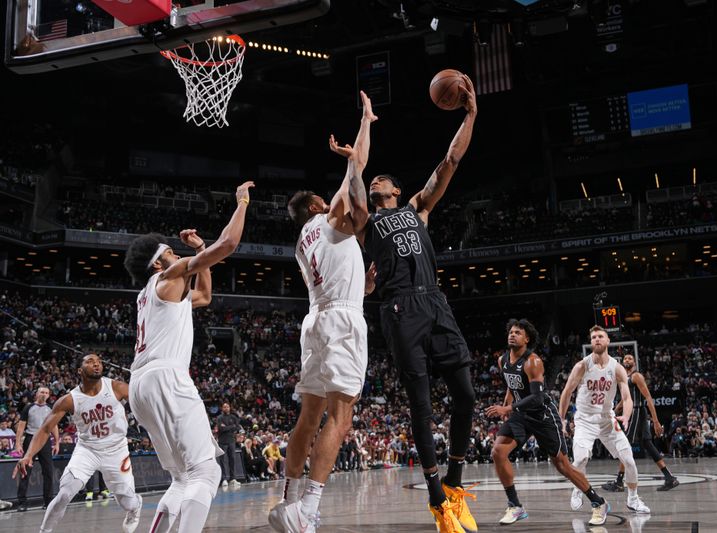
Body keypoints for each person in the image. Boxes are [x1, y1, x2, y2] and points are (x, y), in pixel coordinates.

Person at [358, 73, 478, 533]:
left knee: (465, 393)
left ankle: (453, 480)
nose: (375, 180)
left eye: (379, 179)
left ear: (395, 187)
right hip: (399, 309)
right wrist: (361, 139)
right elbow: (353, 185)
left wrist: (470, 114)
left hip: (435, 302)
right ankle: (435, 501)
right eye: (371, 180)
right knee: (422, 405)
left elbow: (450, 160)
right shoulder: (367, 222)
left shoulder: (418, 209)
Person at [268, 91, 376, 533]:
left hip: (316, 319)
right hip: (341, 320)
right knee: (341, 415)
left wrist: (363, 286)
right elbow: (358, 170)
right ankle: (309, 509)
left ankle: (288, 501)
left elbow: (336, 277)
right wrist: (366, 122)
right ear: (315, 206)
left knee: (308, 416)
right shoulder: (327, 219)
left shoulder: (302, 243)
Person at [123, 180, 253, 533]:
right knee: (207, 471)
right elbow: (229, 245)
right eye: (169, 251)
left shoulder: (154, 294)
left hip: (141, 385)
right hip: (166, 377)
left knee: (182, 480)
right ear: (157, 264)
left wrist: (200, 250)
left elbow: (205, 296)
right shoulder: (168, 277)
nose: (176, 255)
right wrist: (241, 202)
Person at [485, 319, 610, 526]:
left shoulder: (533, 361)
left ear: (527, 339)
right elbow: (510, 386)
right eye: (511, 332)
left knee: (562, 465)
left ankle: (598, 502)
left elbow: (536, 397)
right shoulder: (502, 360)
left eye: (518, 333)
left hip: (542, 415)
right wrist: (507, 406)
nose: (512, 335)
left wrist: (508, 408)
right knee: (498, 452)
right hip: (520, 414)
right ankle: (515, 505)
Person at [12, 353, 141, 533]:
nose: (96, 365)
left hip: (116, 450)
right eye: (90, 362)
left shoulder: (116, 387)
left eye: (98, 362)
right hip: (87, 450)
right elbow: (44, 430)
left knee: (127, 501)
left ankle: (135, 508)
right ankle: (44, 531)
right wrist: (28, 455)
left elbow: (143, 400)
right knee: (64, 494)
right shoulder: (70, 399)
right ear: (80, 370)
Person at [558, 326, 650, 515]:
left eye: (601, 336)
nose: (597, 339)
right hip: (584, 420)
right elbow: (567, 392)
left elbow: (626, 397)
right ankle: (577, 488)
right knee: (581, 458)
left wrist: (625, 415)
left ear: (608, 341)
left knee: (629, 461)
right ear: (591, 342)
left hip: (607, 419)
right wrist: (561, 419)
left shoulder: (617, 368)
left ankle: (633, 499)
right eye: (593, 337)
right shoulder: (582, 366)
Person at [601, 354, 679, 492]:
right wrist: (614, 410)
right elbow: (625, 398)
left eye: (630, 358)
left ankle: (619, 482)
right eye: (625, 358)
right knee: (647, 444)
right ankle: (669, 477)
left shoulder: (636, 376)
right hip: (634, 411)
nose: (627, 360)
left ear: (635, 363)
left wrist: (655, 421)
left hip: (637, 411)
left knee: (625, 444)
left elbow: (648, 397)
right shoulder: (624, 378)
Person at [14, 386, 58, 512]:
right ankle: (22, 502)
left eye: (46, 392)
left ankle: (48, 501)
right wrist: (18, 443)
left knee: (48, 471)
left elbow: (53, 426)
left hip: (45, 439)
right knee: (25, 471)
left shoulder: (51, 408)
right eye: (41, 392)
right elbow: (21, 427)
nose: (44, 394)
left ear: (49, 395)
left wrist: (57, 442)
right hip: (30, 438)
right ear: (37, 394)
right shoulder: (28, 407)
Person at [216, 402, 241, 488]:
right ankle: (224, 479)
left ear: (229, 408)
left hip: (231, 441)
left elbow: (237, 427)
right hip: (222, 441)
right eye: (224, 407)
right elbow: (220, 428)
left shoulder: (233, 417)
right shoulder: (219, 418)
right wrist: (231, 426)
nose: (226, 408)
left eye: (227, 407)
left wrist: (226, 427)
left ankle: (233, 478)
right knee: (222, 461)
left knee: (232, 460)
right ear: (222, 408)